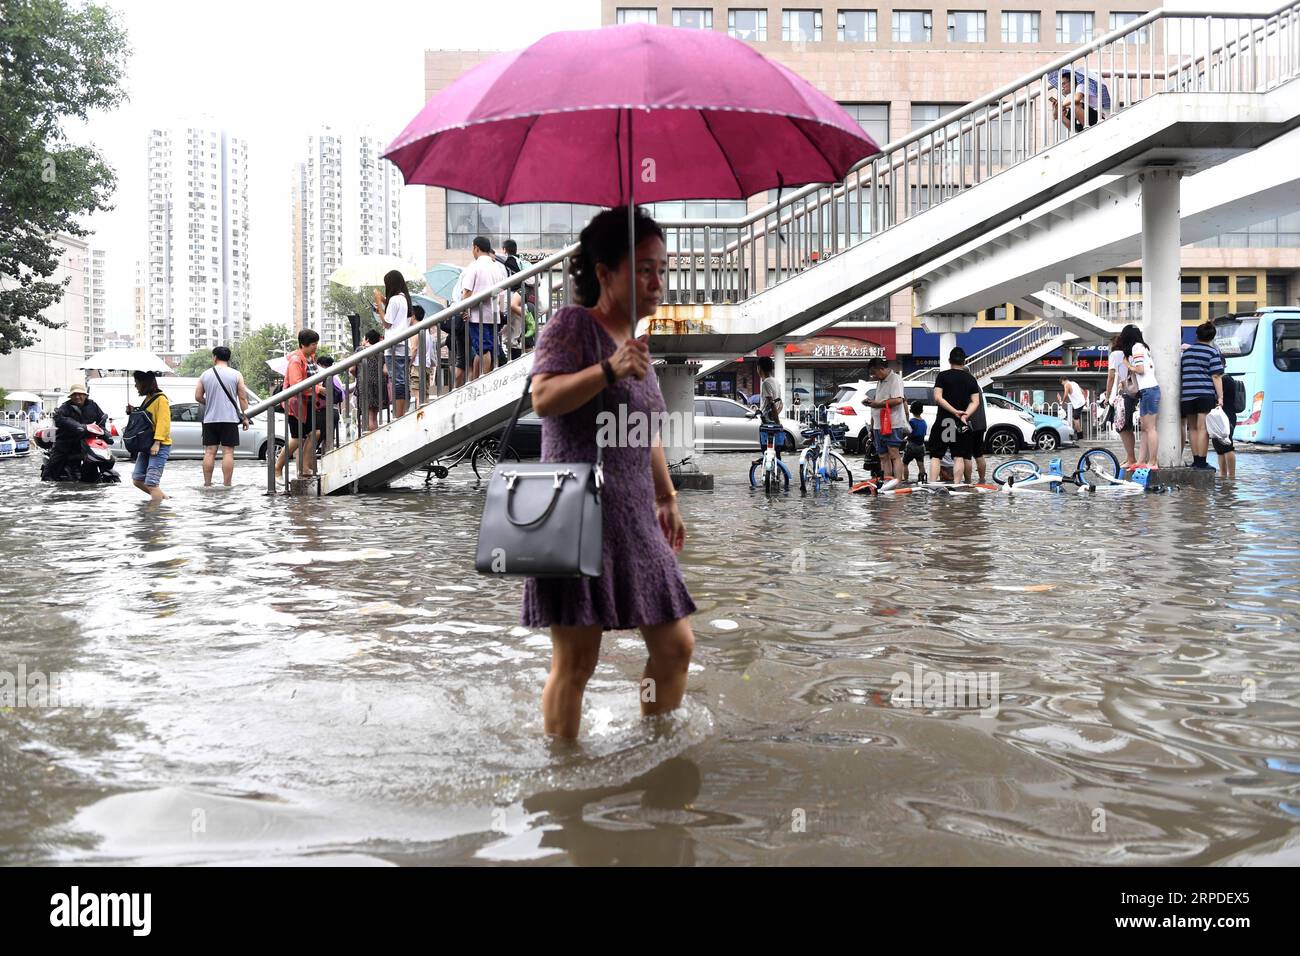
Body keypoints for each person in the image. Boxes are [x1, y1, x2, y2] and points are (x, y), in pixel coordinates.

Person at [525, 205, 696, 740]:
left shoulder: (638, 345)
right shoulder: (572, 325)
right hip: (575, 512)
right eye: (644, 268)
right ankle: (564, 777)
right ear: (604, 272)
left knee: (675, 646)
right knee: (577, 661)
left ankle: (655, 748)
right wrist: (606, 369)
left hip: (634, 516)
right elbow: (543, 399)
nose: (657, 282)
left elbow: (639, 431)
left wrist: (666, 495)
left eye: (663, 269)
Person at [195, 345, 250, 487]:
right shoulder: (236, 374)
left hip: (210, 420)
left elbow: (198, 396)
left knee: (209, 452)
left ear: (215, 357)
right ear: (228, 358)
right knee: (228, 453)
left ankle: (207, 484)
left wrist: (210, 402)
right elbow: (242, 398)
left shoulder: (205, 374)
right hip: (229, 419)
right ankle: (227, 484)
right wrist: (245, 417)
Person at [928, 347, 981, 484]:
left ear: (949, 360)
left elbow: (938, 398)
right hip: (960, 423)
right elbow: (976, 402)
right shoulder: (971, 379)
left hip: (945, 421)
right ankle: (957, 485)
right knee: (958, 456)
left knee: (936, 456)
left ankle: (932, 484)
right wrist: (964, 415)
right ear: (964, 361)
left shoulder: (942, 376)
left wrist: (953, 411)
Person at [275, 329, 322, 480]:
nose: (315, 347)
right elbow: (297, 385)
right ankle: (277, 468)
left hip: (308, 403)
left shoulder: (311, 358)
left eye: (316, 343)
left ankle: (304, 467)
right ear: (303, 345)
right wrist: (318, 389)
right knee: (297, 438)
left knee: (314, 433)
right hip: (295, 405)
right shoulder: (296, 360)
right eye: (313, 344)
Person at [461, 236, 508, 381]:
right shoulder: (497, 267)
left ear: (476, 248)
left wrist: (464, 309)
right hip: (494, 315)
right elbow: (500, 293)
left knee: (484, 348)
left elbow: (467, 292)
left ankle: (486, 380)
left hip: (478, 316)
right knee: (492, 348)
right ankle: (489, 377)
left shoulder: (474, 266)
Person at [1180, 321, 1225, 471]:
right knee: (1202, 428)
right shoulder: (1212, 352)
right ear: (1212, 337)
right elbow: (1216, 377)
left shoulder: (1186, 353)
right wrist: (1221, 397)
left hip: (1187, 395)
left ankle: (1195, 460)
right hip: (1204, 394)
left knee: (1192, 428)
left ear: (1197, 335)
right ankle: (1201, 461)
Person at [44, 383, 108, 480]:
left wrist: (104, 432)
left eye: (80, 394)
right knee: (52, 469)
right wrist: (80, 426)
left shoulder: (93, 405)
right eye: (74, 394)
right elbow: (59, 419)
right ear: (71, 396)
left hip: (86, 443)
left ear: (85, 395)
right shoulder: (65, 407)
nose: (77, 397)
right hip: (66, 443)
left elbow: (101, 420)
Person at [1119, 324, 1159, 469]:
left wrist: (1127, 365)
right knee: (1145, 428)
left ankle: (1153, 462)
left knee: (1150, 428)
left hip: (1149, 390)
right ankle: (1141, 461)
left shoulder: (1137, 348)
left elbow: (1140, 370)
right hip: (1148, 390)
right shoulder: (1144, 348)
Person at [128, 371, 170, 503]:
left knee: (152, 483)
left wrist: (157, 442)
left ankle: (154, 515)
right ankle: (165, 501)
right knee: (138, 479)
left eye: (137, 382)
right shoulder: (147, 399)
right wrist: (133, 410)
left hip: (158, 446)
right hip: (146, 445)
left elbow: (164, 423)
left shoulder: (161, 399)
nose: (135, 386)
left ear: (144, 383)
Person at [375, 270, 412, 418]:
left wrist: (379, 303)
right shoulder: (403, 299)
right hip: (403, 346)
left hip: (394, 348)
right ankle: (401, 412)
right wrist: (383, 301)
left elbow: (387, 323)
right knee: (401, 381)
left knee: (397, 382)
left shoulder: (395, 300)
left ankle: (398, 414)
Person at [865, 357, 905, 479]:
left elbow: (899, 399)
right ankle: (887, 482)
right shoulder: (880, 381)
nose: (874, 376)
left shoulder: (895, 379)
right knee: (882, 455)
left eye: (874, 373)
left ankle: (897, 481)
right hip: (878, 424)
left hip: (892, 423)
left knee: (894, 453)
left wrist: (878, 404)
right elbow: (880, 400)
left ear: (881, 369)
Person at [1104, 332, 1138, 469]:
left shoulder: (1115, 355)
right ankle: (1130, 457)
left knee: (1122, 427)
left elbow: (1111, 376)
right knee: (1127, 427)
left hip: (1122, 394)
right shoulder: (1130, 354)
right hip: (1132, 392)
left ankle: (1131, 458)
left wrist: (1107, 396)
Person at [353, 328, 386, 430]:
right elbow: (384, 370)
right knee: (374, 417)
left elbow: (351, 369)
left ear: (367, 339)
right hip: (379, 384)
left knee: (366, 416)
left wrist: (358, 376)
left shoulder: (360, 350)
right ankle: (374, 438)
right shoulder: (381, 351)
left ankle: (368, 439)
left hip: (364, 385)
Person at [314, 355, 346, 452]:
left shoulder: (322, 376)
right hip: (335, 411)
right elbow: (343, 396)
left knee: (314, 441)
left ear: (320, 365)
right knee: (328, 440)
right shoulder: (336, 377)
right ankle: (327, 461)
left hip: (323, 412)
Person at [1214, 371, 1240, 479]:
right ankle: (1223, 476)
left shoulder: (1226, 380)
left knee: (1227, 446)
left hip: (1226, 417)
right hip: (1218, 417)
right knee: (1219, 449)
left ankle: (1232, 476)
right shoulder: (1223, 380)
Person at [902, 400, 927, 482]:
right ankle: (922, 480)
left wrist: (905, 437)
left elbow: (908, 432)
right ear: (922, 411)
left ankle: (905, 480)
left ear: (911, 410)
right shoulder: (924, 423)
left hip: (911, 446)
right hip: (921, 446)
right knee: (921, 464)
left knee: (905, 464)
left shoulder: (912, 422)